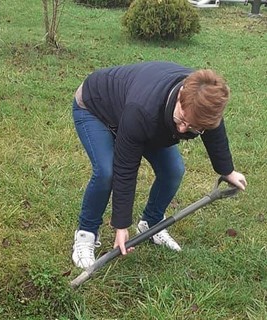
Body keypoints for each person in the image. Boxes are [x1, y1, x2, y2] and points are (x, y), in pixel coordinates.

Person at [70, 61, 247, 269]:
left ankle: (151, 224)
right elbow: (125, 168)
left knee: (173, 171)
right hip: (95, 107)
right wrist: (121, 225)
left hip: (139, 117)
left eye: (193, 127)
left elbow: (214, 132)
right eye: (182, 119)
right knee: (106, 172)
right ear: (180, 95)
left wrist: (227, 170)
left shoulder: (204, 103)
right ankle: (86, 234)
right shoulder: (143, 110)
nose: (182, 129)